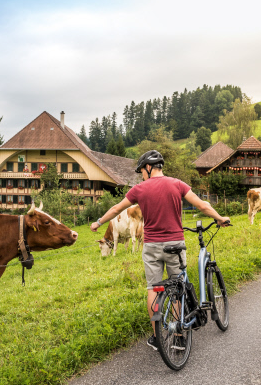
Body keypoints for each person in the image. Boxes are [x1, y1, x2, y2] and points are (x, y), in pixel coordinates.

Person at [90, 150, 230, 350]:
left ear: (148, 168)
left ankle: (157, 337)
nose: (142, 175)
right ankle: (179, 335)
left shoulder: (139, 189)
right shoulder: (178, 184)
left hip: (152, 247)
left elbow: (115, 209)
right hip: (175, 244)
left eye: (142, 171)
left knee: (153, 289)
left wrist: (98, 222)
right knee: (178, 288)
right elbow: (202, 205)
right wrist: (219, 218)